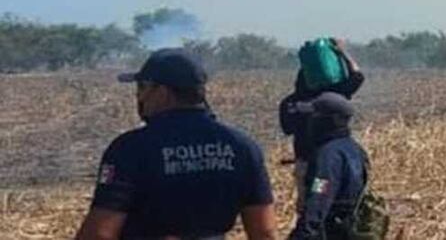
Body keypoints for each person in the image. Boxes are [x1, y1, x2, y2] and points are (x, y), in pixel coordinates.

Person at [75, 48, 276, 240]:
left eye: (142, 87)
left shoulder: (130, 149)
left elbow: (100, 233)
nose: (138, 96)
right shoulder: (242, 146)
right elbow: (264, 232)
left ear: (163, 92)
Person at [280, 38, 365, 209]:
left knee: (314, 203)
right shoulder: (336, 95)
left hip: (310, 166)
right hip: (334, 165)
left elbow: (287, 128)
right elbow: (357, 75)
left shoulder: (291, 103)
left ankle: (310, 229)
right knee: (334, 202)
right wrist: (342, 52)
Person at [288, 92, 372, 240]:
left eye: (312, 116)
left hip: (332, 232)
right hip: (351, 228)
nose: (309, 121)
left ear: (328, 121)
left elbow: (319, 195)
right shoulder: (355, 149)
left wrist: (302, 234)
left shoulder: (328, 156)